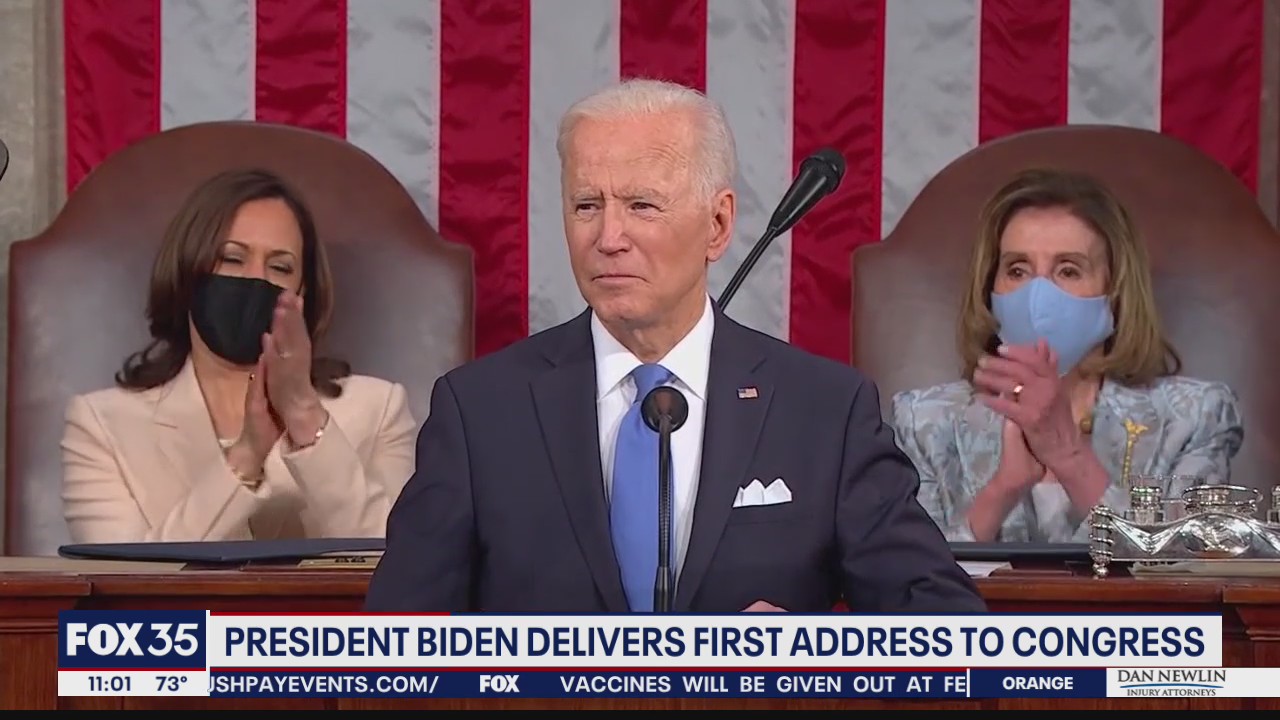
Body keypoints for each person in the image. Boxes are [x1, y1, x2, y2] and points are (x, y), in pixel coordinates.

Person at [365, 79, 985, 613]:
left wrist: (808, 648)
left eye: (642, 205)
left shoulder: (824, 410)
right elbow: (395, 646)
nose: (609, 237)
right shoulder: (481, 411)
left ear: (717, 225)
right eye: (587, 205)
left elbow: (943, 620)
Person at [61, 168, 418, 543]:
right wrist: (245, 457)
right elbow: (124, 588)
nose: (254, 279)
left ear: (301, 292)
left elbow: (399, 563)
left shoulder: (379, 410)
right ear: (187, 270)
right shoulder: (101, 425)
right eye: (232, 259)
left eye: (279, 266)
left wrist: (304, 417)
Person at [891, 168, 1244, 544]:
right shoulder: (925, 423)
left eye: (1068, 270)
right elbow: (911, 585)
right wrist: (1000, 493)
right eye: (1017, 269)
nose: (1038, 295)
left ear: (1116, 292)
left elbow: (1184, 578)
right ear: (989, 287)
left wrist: (1071, 458)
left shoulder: (1194, 419)